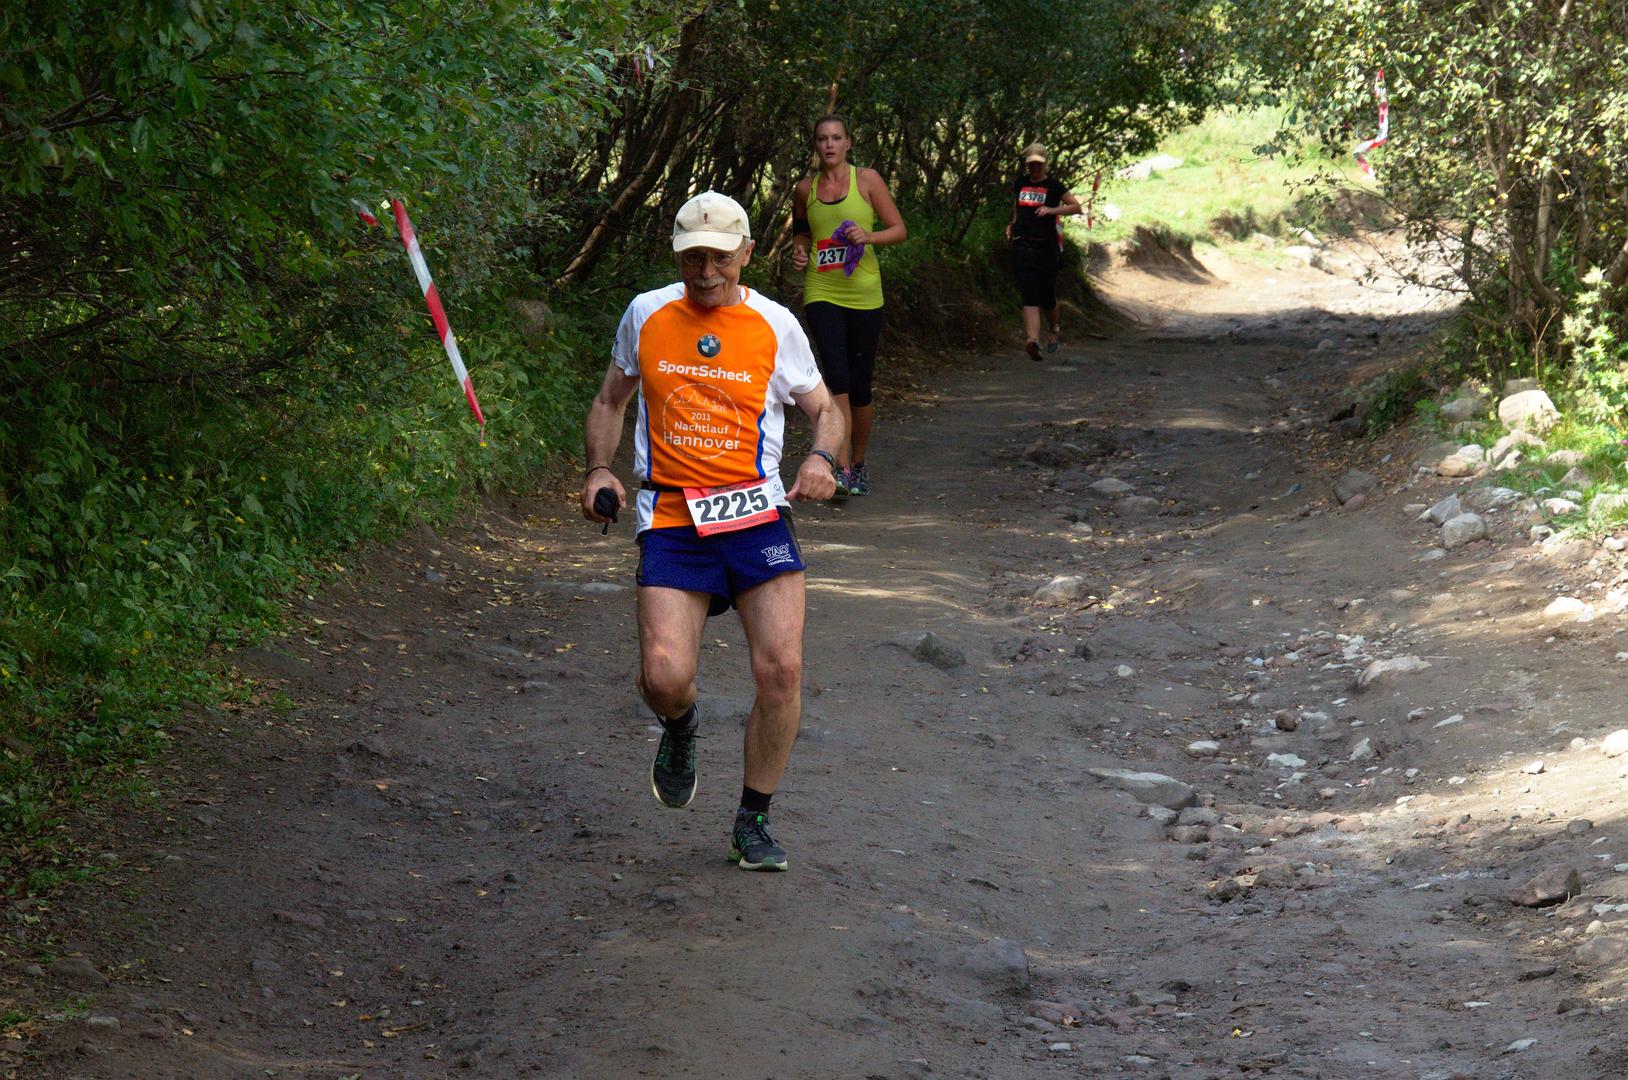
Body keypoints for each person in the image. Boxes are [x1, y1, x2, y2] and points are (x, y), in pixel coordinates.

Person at [581, 191, 845, 872]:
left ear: (746, 254)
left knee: (782, 668)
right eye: (693, 257)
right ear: (677, 255)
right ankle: (680, 722)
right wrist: (599, 469)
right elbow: (611, 398)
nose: (706, 272)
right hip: (672, 515)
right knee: (664, 676)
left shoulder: (776, 324)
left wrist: (821, 458)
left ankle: (752, 821)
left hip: (755, 513)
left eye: (720, 258)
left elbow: (827, 411)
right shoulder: (646, 314)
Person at [789, 115, 907, 498]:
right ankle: (840, 468)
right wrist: (800, 249)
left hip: (864, 294)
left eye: (836, 138)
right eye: (823, 138)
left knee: (859, 384)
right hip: (821, 290)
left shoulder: (867, 180)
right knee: (836, 376)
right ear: (815, 144)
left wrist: (868, 236)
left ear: (848, 143)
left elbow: (899, 230)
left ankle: (858, 461)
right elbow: (802, 230)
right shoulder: (804, 189)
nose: (830, 145)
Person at [1005, 142, 1083, 360]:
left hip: (1046, 248)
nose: (1035, 168)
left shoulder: (1054, 186)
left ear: (1045, 164)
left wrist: (1052, 210)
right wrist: (1012, 224)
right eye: (1031, 164)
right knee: (1029, 293)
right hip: (1023, 245)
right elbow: (1017, 207)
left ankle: (1053, 328)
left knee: (1047, 296)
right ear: (1027, 164)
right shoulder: (1020, 183)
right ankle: (1032, 341)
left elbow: (1076, 207)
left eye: (1038, 164)